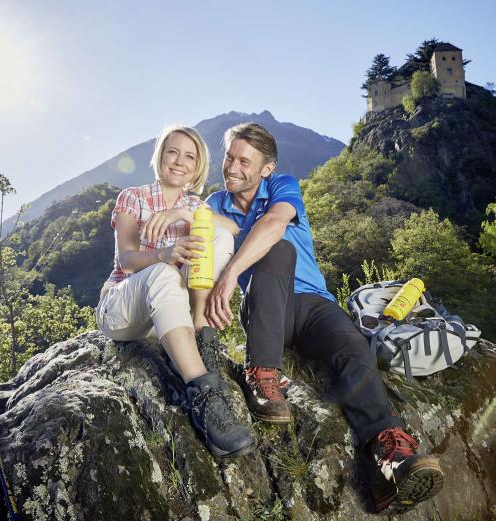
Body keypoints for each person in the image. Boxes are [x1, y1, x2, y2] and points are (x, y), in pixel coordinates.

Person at [204, 123, 445, 512]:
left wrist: (231, 273)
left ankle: (389, 459)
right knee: (278, 253)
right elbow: (197, 231)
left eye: (244, 161)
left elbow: (274, 223)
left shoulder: (283, 186)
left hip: (314, 304)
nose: (232, 166)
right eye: (229, 156)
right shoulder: (215, 203)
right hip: (267, 307)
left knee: (352, 348)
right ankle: (262, 373)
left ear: (267, 168)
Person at [96, 124, 254, 458]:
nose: (179, 161)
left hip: (168, 316)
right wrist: (162, 254)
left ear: (197, 167)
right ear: (160, 157)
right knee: (164, 273)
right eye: (173, 152)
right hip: (124, 309)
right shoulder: (133, 198)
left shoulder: (194, 205)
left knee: (218, 236)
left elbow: (232, 229)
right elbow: (125, 258)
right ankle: (203, 396)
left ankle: (200, 329)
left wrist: (183, 213)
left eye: (189, 156)